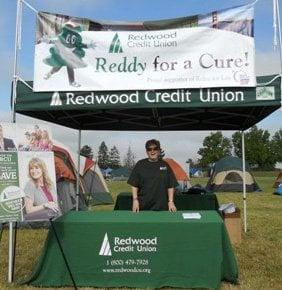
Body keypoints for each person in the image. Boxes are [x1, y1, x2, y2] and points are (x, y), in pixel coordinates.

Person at [127, 139, 178, 212]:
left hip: (161, 207)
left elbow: (171, 185)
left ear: (159, 150)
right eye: (149, 149)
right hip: (142, 207)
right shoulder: (140, 164)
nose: (152, 151)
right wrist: (135, 200)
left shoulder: (165, 165)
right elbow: (134, 184)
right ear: (146, 151)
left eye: (155, 149)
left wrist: (171, 201)